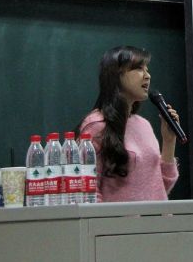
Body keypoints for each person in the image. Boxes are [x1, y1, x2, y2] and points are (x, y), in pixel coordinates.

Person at [75, 45, 180, 202]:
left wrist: (169, 141)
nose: (147, 76)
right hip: (120, 219)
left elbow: (160, 187)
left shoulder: (144, 125)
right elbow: (88, 192)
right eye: (139, 68)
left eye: (147, 69)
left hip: (158, 217)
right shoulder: (96, 125)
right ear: (116, 75)